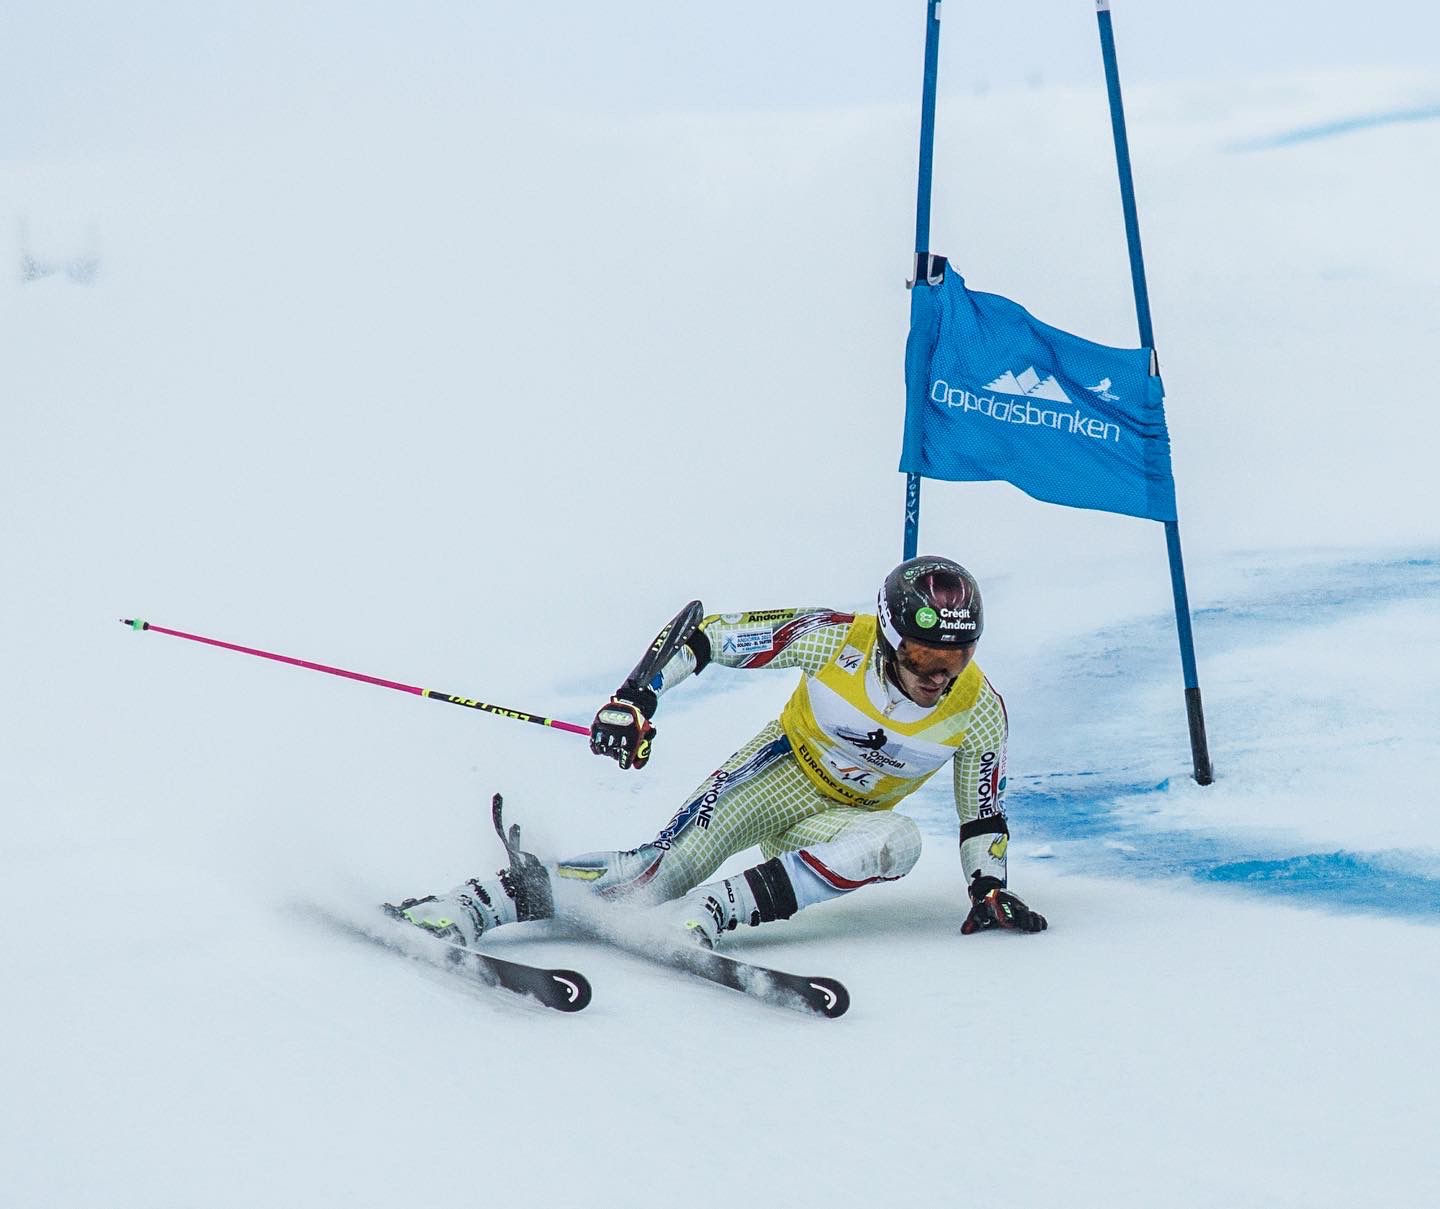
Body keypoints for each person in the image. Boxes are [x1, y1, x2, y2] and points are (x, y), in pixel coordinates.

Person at [390, 555, 1046, 949]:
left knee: (899, 842)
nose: (937, 674)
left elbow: (982, 812)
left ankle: (709, 913)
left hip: (832, 827)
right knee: (653, 877)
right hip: (778, 774)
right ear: (888, 637)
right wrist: (639, 694)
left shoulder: (979, 709)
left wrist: (988, 888)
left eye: (954, 657)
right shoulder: (836, 639)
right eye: (923, 655)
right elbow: (712, 638)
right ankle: (472, 902)